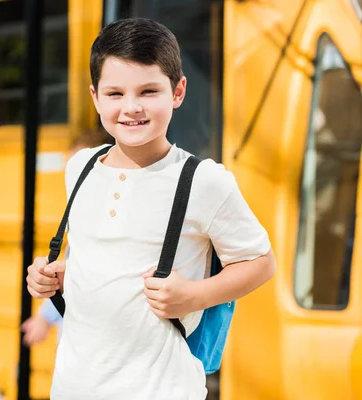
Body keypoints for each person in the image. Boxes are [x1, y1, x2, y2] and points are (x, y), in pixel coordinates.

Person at [26, 18, 276, 399]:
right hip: (73, 387)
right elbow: (96, 253)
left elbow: (260, 263)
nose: (131, 107)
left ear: (178, 92)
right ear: (95, 97)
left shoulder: (203, 180)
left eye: (148, 91)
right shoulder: (81, 167)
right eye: (115, 94)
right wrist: (54, 274)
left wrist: (194, 296)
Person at [21, 129, 113, 347]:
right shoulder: (83, 213)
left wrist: (45, 317)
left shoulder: (103, 216)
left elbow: (82, 277)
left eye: (82, 171)